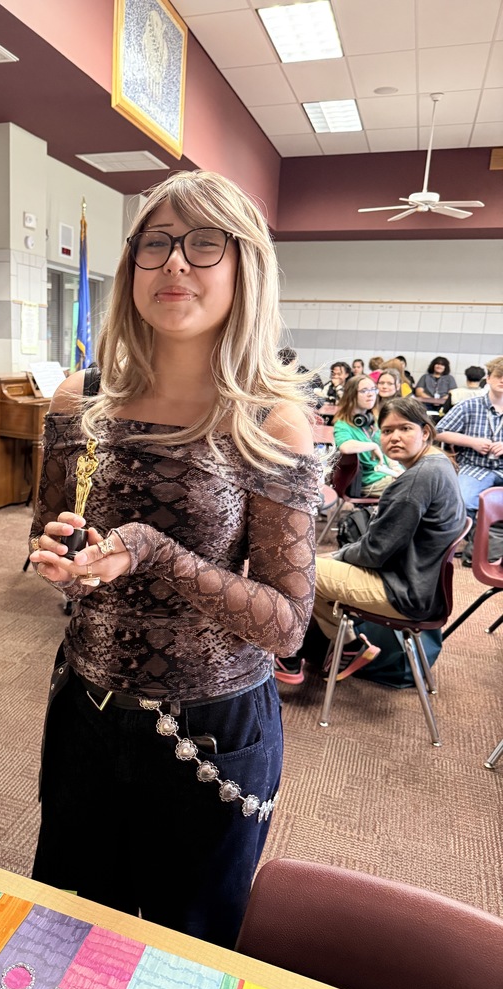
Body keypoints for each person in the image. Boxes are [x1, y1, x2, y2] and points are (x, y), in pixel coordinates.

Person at [28, 170, 319, 948]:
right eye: (155, 244)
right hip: (84, 710)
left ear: (242, 267)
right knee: (68, 930)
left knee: (189, 949)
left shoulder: (271, 423)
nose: (175, 264)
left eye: (203, 244)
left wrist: (155, 554)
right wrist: (60, 555)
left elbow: (289, 628)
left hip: (213, 734)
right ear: (130, 268)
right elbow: (48, 531)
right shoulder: (76, 400)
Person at [276, 397, 466, 685]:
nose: (394, 437)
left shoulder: (416, 480)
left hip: (404, 592)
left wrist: (336, 557)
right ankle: (346, 646)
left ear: (425, 432)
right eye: (387, 431)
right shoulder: (438, 462)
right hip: (419, 584)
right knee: (314, 567)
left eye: (404, 429)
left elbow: (374, 553)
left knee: (296, 571)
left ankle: (296, 653)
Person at [436, 357, 503, 566]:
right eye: (499, 376)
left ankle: (485, 549)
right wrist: (470, 441)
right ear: (489, 378)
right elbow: (438, 432)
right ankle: (475, 547)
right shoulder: (470, 406)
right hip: (475, 466)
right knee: (463, 501)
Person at [333, 374, 400, 496]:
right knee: (417, 485)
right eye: (364, 391)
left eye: (373, 389)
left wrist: (396, 468)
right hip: (370, 481)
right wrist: (373, 445)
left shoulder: (373, 421)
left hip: (388, 474)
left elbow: (386, 449)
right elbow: (345, 446)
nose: (371, 394)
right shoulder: (342, 424)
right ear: (352, 395)